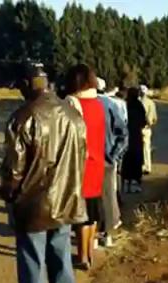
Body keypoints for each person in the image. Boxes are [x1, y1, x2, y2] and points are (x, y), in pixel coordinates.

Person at [0, 63, 87, 283]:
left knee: (32, 265)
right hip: (65, 202)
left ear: (27, 84)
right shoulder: (73, 115)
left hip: (32, 206)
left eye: (20, 87)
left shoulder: (22, 117)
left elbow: (13, 170)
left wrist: (8, 195)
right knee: (61, 260)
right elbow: (81, 159)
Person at [64, 64, 105, 269]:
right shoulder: (98, 104)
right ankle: (89, 252)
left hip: (80, 166)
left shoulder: (72, 103)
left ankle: (81, 256)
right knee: (92, 214)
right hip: (97, 164)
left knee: (81, 215)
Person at [97, 78, 128, 247]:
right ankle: (106, 235)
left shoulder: (80, 104)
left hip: (88, 159)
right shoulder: (112, 104)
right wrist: (114, 155)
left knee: (90, 199)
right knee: (108, 197)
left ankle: (91, 238)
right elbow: (123, 133)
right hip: (107, 158)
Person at [121, 87, 147, 193]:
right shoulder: (139, 106)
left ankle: (125, 183)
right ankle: (135, 183)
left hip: (127, 136)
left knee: (126, 160)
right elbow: (143, 121)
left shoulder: (125, 105)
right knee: (136, 160)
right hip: (136, 136)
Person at [140, 85, 157, 175]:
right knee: (146, 147)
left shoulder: (137, 103)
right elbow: (155, 118)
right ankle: (147, 166)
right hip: (148, 128)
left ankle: (140, 166)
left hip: (138, 128)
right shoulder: (151, 103)